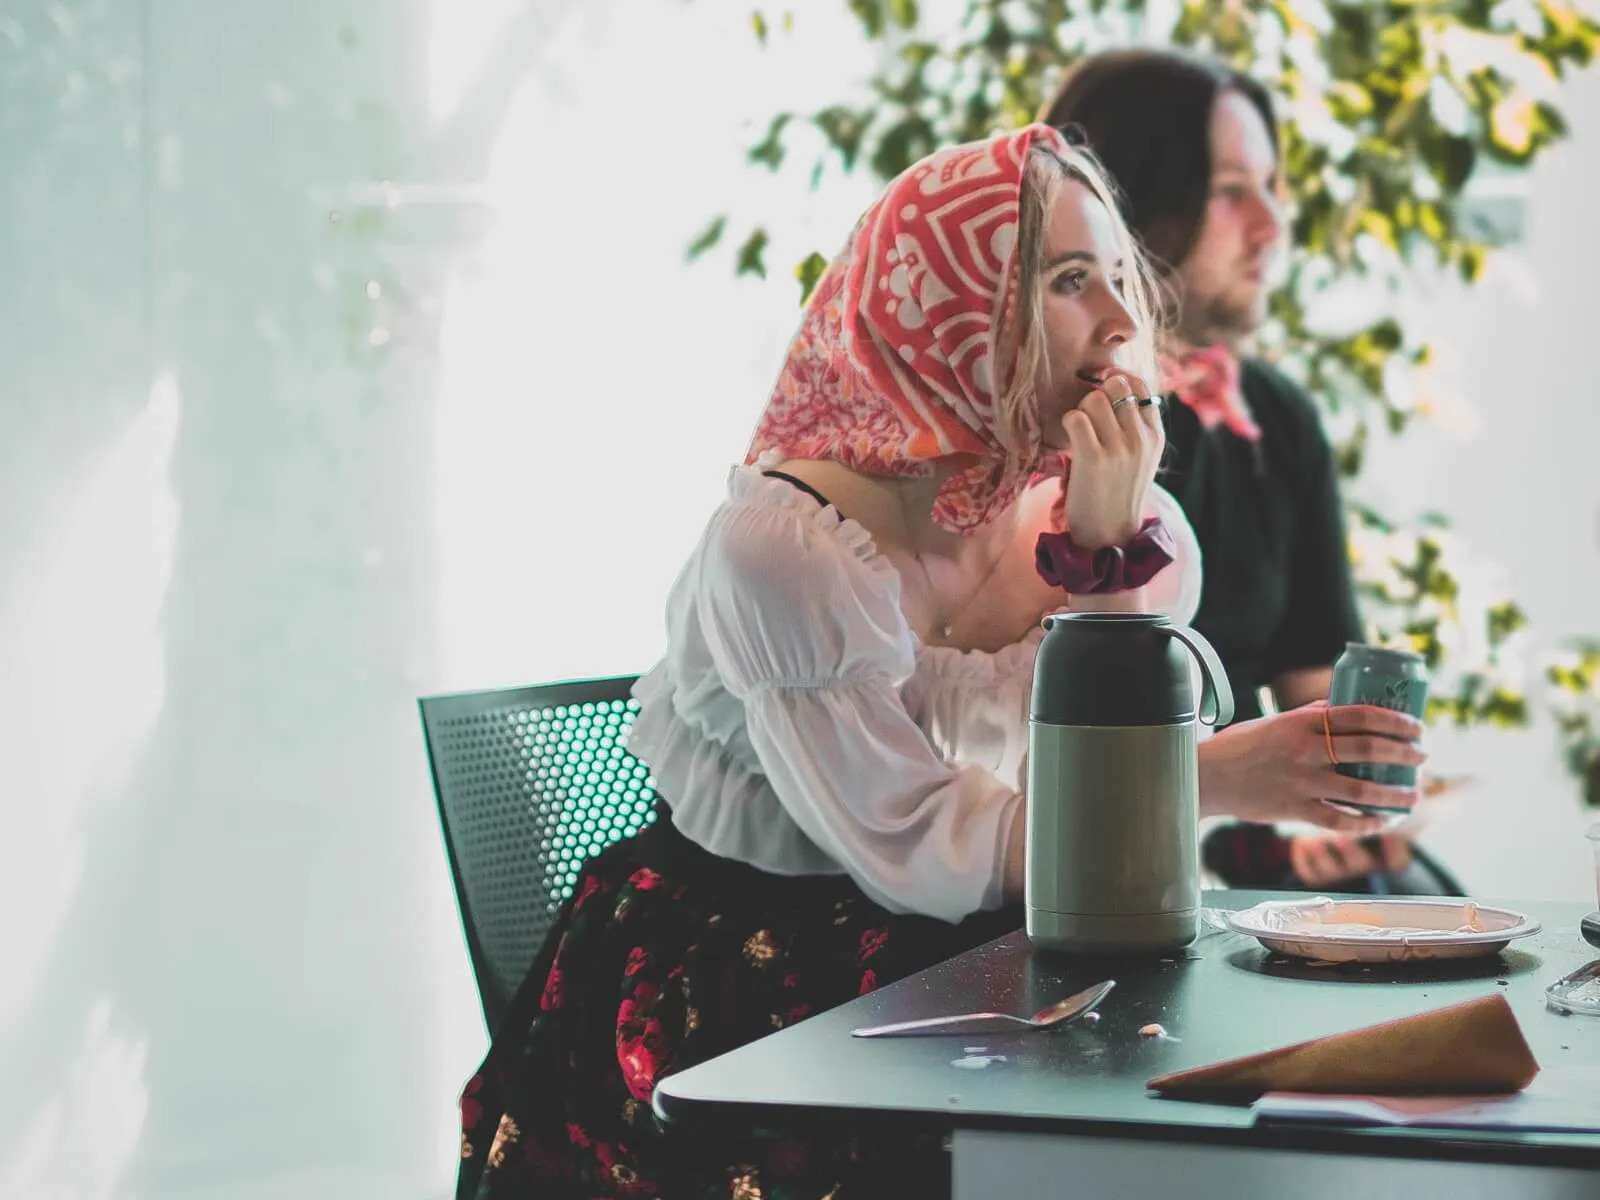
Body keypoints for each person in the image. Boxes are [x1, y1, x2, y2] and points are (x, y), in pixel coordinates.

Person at [453, 125, 1424, 1200]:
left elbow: (1081, 811)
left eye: (1116, 278)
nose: (1116, 322)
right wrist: (1216, 779)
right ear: (950, 308)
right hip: (751, 976)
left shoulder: (1100, 520)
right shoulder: (785, 554)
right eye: (1064, 282)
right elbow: (915, 853)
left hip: (985, 946)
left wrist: (1103, 554)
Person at [1041, 48, 1442, 892]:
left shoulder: (1279, 418)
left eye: (1271, 187)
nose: (1272, 225)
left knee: (1437, 923)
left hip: (1243, 852)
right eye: (1232, 191)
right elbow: (1025, 752)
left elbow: (1315, 705)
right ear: (1128, 199)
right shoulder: (1046, 422)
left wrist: (1357, 794)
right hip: (1103, 851)